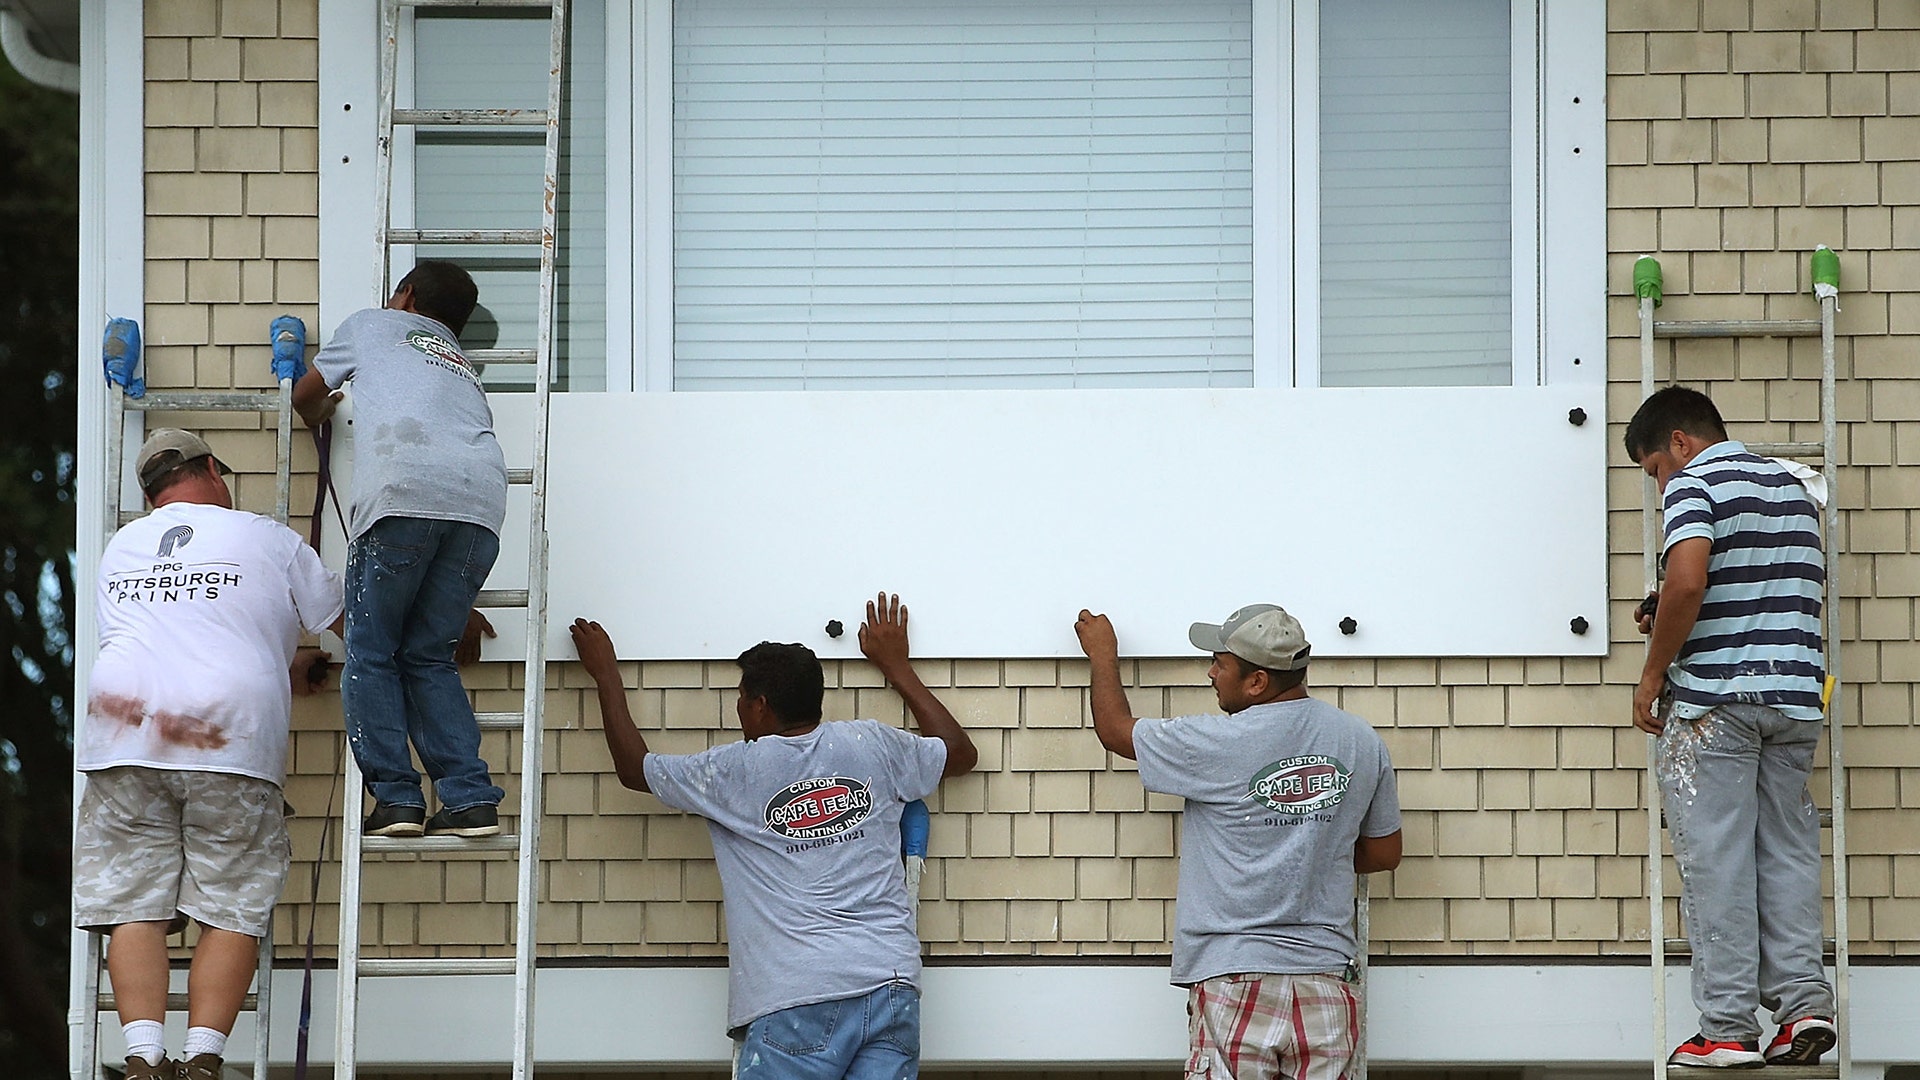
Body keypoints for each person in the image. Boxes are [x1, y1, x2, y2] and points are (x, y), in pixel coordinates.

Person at [569, 593, 977, 1078]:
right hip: (890, 989)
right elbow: (959, 753)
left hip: (795, 999)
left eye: (742, 699)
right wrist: (896, 666)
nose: (739, 710)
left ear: (761, 706)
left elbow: (636, 770)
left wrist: (606, 676)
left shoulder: (734, 772)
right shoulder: (874, 745)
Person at [74, 429, 342, 1080]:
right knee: (230, 902)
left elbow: (180, 636)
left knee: (134, 903)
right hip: (229, 737)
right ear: (215, 472)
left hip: (124, 736)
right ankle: (201, 1063)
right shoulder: (266, 537)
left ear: (148, 498)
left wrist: (285, 659)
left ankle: (141, 1057)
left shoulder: (120, 546)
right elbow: (346, 615)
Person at [1073, 602, 1401, 1080]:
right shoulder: (1361, 741)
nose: (1211, 673)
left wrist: (1103, 657)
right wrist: (1310, 837)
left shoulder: (1218, 741)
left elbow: (1116, 733)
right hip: (1327, 980)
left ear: (1257, 682)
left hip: (1234, 979)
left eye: (1219, 663)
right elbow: (1383, 853)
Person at [1627, 385, 1836, 1068]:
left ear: (1680, 442)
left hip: (1717, 703)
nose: (1661, 481)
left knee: (1717, 861)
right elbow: (1755, 583)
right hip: (1795, 700)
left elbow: (1690, 582)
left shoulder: (1692, 483)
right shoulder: (1793, 486)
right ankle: (1804, 1008)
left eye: (1654, 466)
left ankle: (1726, 1028)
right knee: (1786, 853)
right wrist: (1668, 607)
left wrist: (1654, 672)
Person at [293, 259, 506, 838]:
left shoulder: (373, 324)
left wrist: (321, 411)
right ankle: (468, 799)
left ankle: (396, 800)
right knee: (427, 656)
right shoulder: (459, 361)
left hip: (403, 497)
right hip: (481, 507)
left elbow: (306, 397)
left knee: (372, 652)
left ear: (405, 295)